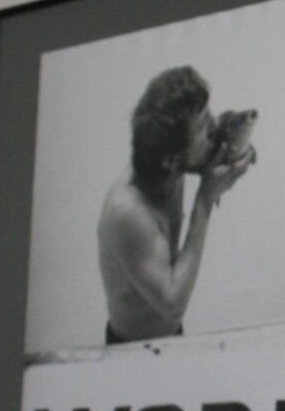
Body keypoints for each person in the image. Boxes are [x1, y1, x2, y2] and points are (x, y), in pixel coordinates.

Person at [97, 66, 249, 345]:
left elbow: (221, 147)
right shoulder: (128, 211)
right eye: (202, 126)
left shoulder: (170, 164)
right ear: (173, 159)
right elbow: (172, 303)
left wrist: (240, 149)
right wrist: (204, 202)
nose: (212, 125)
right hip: (129, 351)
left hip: (171, 337)